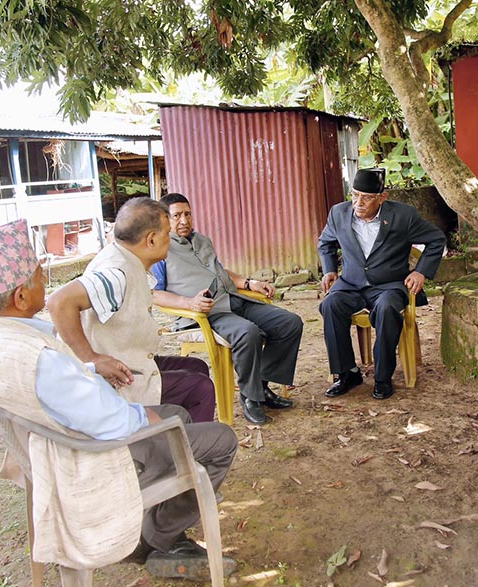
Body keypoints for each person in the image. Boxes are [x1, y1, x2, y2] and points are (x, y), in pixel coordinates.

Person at [0, 219, 238, 580]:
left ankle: (165, 514)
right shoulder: (42, 360)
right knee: (220, 439)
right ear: (21, 298)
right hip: (89, 456)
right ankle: (159, 538)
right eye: (39, 278)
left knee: (178, 409)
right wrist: (151, 420)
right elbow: (115, 422)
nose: (46, 284)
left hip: (51, 444)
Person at [47, 198, 217, 422]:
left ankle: (166, 431)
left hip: (129, 358)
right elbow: (59, 302)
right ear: (152, 240)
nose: (171, 239)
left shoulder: (122, 257)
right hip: (115, 378)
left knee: (196, 366)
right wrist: (91, 358)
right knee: (200, 388)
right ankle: (188, 452)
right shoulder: (118, 273)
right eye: (167, 233)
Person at [151, 193, 304, 426]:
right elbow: (154, 293)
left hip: (233, 299)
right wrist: (189, 303)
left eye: (188, 214)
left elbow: (220, 271)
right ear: (164, 219)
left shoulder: (202, 240)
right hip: (207, 312)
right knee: (247, 332)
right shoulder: (160, 250)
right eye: (177, 216)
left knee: (289, 323)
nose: (184, 221)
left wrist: (249, 282)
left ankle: (261, 386)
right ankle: (250, 397)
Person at [318, 168, 446, 400]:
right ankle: (347, 373)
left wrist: (421, 272)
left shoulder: (403, 216)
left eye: (366, 197)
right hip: (351, 284)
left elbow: (436, 239)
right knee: (330, 305)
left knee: (387, 309)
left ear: (382, 197)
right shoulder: (338, 213)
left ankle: (382, 377)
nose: (358, 202)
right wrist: (329, 270)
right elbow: (325, 243)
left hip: (389, 285)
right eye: (355, 195)